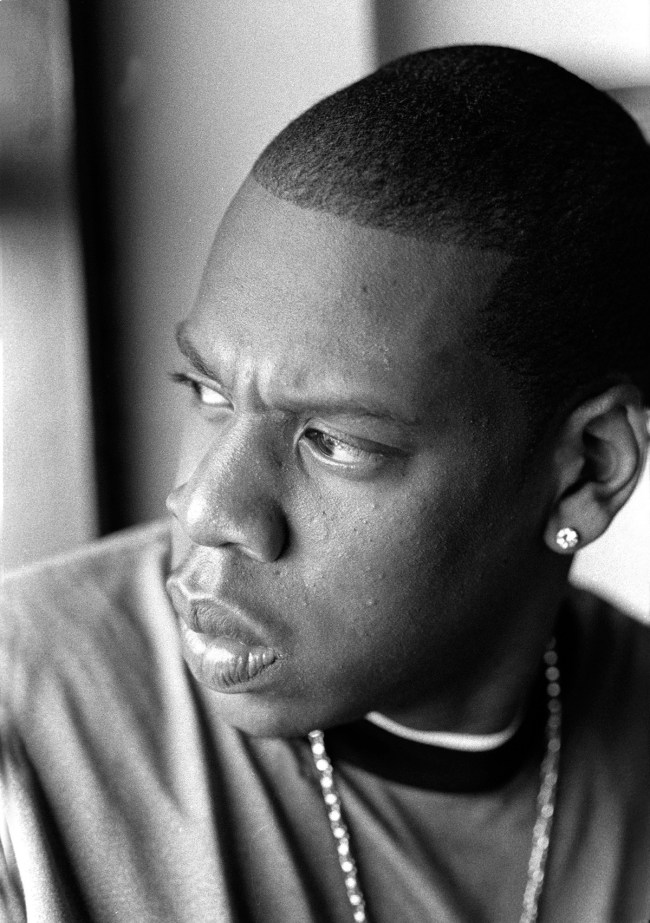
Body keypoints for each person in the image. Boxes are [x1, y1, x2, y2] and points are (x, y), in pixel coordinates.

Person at [1, 44, 649, 923]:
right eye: (208, 392)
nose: (204, 507)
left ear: (590, 470)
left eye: (336, 442)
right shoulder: (21, 737)